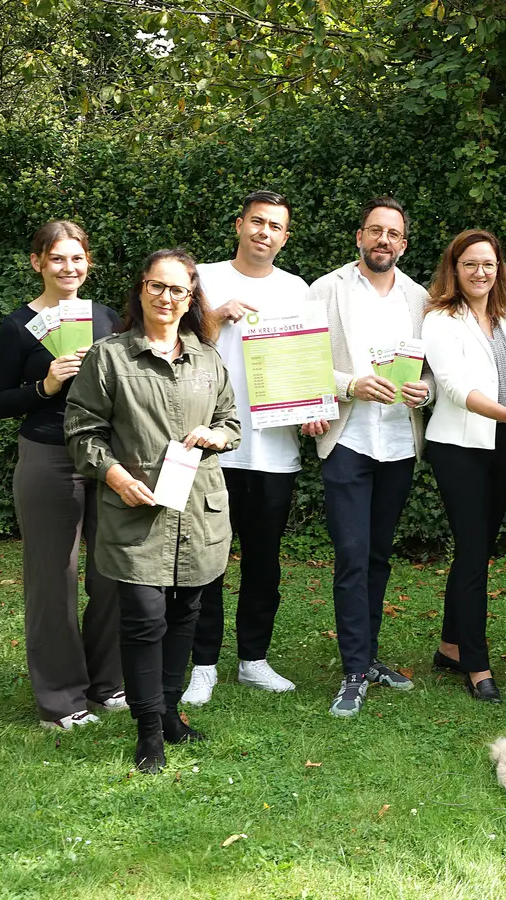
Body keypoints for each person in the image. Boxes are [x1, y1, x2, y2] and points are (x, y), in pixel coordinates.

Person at [64, 248, 241, 774]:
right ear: (141, 289)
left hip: (198, 511)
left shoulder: (207, 358)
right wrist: (113, 473)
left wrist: (215, 434)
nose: (167, 298)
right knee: (143, 619)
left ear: (192, 298)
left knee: (186, 614)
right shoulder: (110, 357)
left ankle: (168, 714)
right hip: (135, 512)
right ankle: (148, 731)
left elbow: (232, 423)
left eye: (179, 290)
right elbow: (81, 431)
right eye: (157, 287)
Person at [0, 220, 124, 731]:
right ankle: (61, 699)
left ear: (89, 262)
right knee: (53, 581)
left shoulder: (107, 318)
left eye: (77, 258)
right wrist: (44, 384)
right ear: (37, 262)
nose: (69, 268)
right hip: (48, 458)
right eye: (57, 258)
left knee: (113, 574)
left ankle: (109, 683)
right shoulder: (18, 326)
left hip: (106, 456)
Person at [183, 190, 317, 706]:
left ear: (285, 237)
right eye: (256, 222)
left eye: (275, 226)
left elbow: (305, 362)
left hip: (273, 448)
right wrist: (215, 315)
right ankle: (203, 664)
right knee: (208, 560)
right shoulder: (205, 279)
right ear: (239, 225)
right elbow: (176, 343)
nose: (264, 232)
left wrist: (311, 409)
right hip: (212, 445)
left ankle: (254, 660)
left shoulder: (297, 289)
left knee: (264, 560)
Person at [308, 196, 428, 718]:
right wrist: (350, 384)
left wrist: (424, 388)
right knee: (352, 556)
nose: (384, 240)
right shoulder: (327, 290)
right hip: (349, 440)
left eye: (394, 234)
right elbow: (302, 361)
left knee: (378, 555)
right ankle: (354, 669)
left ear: (404, 243)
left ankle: (369, 655)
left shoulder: (421, 298)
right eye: (375, 231)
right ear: (359, 236)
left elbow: (430, 367)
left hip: (400, 442)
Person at [423, 229, 506, 704]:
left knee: (477, 551)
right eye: (470, 264)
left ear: (499, 269)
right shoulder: (439, 319)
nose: (480, 272)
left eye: (488, 264)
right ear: (454, 268)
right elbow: (452, 387)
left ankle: (451, 645)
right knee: (473, 552)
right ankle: (476, 662)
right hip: (459, 447)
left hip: (502, 445)